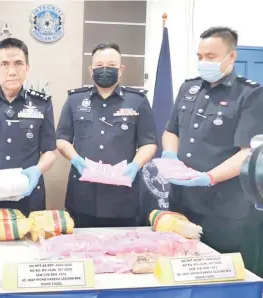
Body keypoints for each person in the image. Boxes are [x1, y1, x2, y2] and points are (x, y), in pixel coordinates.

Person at [162, 27, 263, 272]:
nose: (203, 62)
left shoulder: (250, 94)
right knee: (182, 270)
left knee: (227, 275)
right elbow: (171, 131)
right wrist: (170, 155)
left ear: (231, 57)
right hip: (183, 204)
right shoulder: (189, 89)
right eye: (199, 56)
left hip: (226, 209)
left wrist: (209, 177)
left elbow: (247, 152)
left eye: (211, 57)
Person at [56, 42, 157, 228]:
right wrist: (76, 159)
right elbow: (62, 139)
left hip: (123, 195)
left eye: (111, 66)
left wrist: (135, 165)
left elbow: (149, 143)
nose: (105, 70)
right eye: (99, 66)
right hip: (83, 193)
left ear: (121, 69)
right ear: (90, 69)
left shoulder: (138, 101)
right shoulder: (75, 99)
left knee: (123, 252)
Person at [0, 37, 57, 216]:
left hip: (28, 195)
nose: (12, 71)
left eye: (18, 64)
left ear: (27, 68)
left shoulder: (42, 103)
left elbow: (50, 151)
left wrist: (37, 171)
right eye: (5, 64)